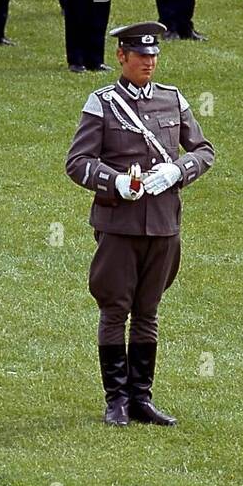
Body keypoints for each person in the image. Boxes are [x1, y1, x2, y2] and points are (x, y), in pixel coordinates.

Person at [64, 22, 215, 427]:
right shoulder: (102, 103)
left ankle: (141, 398)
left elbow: (203, 150)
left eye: (153, 56)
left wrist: (178, 171)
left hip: (164, 223)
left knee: (148, 310)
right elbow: (77, 163)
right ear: (122, 57)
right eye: (140, 56)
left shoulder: (173, 100)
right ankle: (116, 400)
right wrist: (114, 181)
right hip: (119, 223)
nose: (148, 62)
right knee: (115, 309)